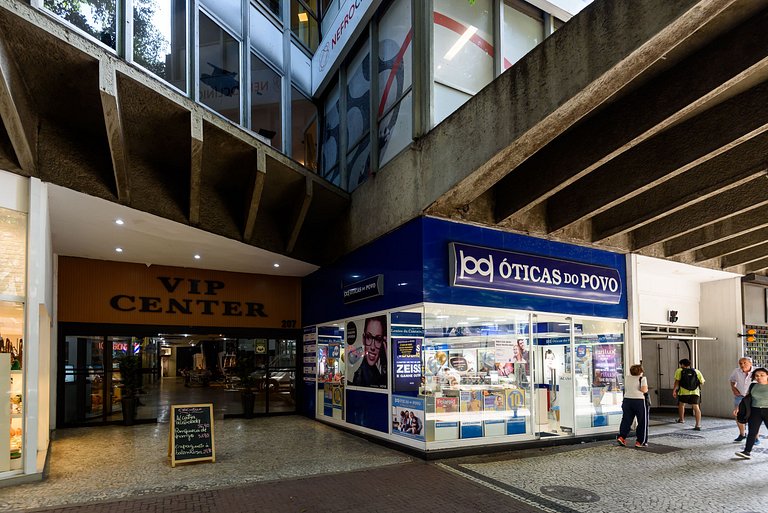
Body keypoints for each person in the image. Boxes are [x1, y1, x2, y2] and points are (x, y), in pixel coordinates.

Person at [735, 367, 768, 459]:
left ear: (767, 376)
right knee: (752, 432)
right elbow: (746, 399)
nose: (759, 377)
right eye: (757, 376)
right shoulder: (753, 386)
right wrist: (738, 408)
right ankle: (747, 451)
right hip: (755, 411)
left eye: (762, 375)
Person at [617, 364, 649, 448]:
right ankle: (640, 441)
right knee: (642, 421)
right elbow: (644, 390)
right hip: (639, 401)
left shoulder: (627, 378)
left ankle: (622, 437)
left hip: (627, 400)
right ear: (641, 371)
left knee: (626, 420)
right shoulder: (642, 378)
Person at [729, 357, 759, 443]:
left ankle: (755, 438)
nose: (742, 365)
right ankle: (742, 434)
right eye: (740, 363)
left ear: (750, 363)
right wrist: (734, 389)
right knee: (738, 415)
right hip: (740, 396)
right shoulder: (736, 371)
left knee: (754, 417)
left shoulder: (758, 371)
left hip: (754, 398)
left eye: (745, 363)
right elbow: (732, 380)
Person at [352, 315, 387, 388]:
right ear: (363, 339)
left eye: (378, 339)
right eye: (369, 337)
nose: (372, 347)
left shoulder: (378, 370)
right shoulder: (360, 377)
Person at [673, 358, 706, 430]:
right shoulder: (696, 371)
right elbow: (702, 382)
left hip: (683, 392)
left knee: (681, 404)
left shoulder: (679, 370)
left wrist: (674, 390)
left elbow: (677, 382)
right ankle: (698, 425)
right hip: (695, 392)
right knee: (696, 407)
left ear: (682, 364)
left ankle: (681, 419)